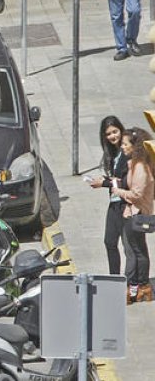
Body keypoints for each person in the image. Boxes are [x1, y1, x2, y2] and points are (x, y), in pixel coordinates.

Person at [112, 128, 154, 303]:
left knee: (134, 251)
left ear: (135, 146)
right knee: (138, 249)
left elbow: (136, 194)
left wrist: (118, 191)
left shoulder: (141, 168)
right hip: (134, 212)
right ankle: (141, 286)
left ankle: (134, 287)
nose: (122, 146)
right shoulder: (135, 164)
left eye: (125, 143)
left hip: (136, 214)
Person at [88, 116, 128, 275]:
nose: (113, 136)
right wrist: (104, 180)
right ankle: (114, 277)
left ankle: (136, 282)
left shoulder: (127, 152)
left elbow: (126, 182)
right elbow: (116, 179)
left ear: (121, 130)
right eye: (108, 134)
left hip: (127, 204)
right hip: (114, 202)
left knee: (129, 246)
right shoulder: (112, 154)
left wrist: (104, 183)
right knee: (109, 242)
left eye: (115, 132)